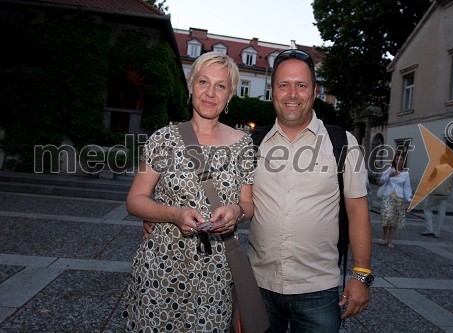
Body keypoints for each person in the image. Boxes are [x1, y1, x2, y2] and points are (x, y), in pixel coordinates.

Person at [123, 52, 256, 332]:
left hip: (216, 272)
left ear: (230, 94)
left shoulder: (244, 145)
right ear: (190, 86)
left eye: (221, 86)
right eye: (203, 82)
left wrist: (235, 212)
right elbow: (135, 200)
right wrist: (173, 214)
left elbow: (248, 204)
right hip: (161, 267)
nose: (210, 92)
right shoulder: (163, 139)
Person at [248, 49, 372, 333]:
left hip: (319, 290)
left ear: (314, 91)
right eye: (283, 85)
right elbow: (225, 197)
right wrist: (166, 214)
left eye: (301, 85)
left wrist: (362, 275)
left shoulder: (343, 142)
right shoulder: (252, 144)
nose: (292, 94)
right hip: (259, 286)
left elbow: (358, 212)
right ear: (272, 91)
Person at [378, 152, 412, 248]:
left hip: (399, 197)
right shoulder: (390, 169)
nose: (399, 161)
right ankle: (384, 235)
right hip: (388, 196)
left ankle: (390, 239)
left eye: (401, 160)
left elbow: (407, 186)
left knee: (394, 219)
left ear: (403, 161)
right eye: (397, 159)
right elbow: (381, 180)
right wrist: (389, 176)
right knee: (386, 217)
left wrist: (408, 197)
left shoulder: (405, 173)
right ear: (394, 160)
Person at [420, 154, 453, 238]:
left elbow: (430, 179)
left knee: (427, 209)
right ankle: (437, 233)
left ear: (441, 160)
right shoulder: (452, 169)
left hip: (435, 193)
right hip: (446, 194)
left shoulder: (437, 168)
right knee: (441, 213)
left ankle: (429, 229)